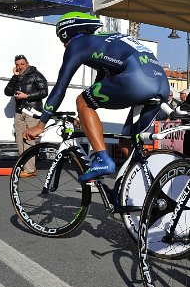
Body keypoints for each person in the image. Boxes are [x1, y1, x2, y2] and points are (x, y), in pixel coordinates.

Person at [24, 12, 170, 182]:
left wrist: (41, 124)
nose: (63, 44)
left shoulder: (77, 44)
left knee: (81, 101)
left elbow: (60, 88)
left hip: (137, 80)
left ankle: (102, 159)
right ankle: (148, 189)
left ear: (66, 32)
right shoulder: (105, 41)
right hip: (161, 84)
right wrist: (85, 116)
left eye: (61, 39)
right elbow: (98, 86)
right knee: (128, 144)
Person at [4, 54, 48, 178]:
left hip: (32, 111)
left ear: (27, 63)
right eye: (17, 65)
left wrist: (27, 96)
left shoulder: (36, 75)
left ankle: (30, 169)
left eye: (22, 64)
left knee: (29, 139)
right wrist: (14, 76)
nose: (20, 67)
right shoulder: (17, 76)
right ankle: (24, 166)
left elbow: (44, 92)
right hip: (19, 111)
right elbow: (7, 92)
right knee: (19, 139)